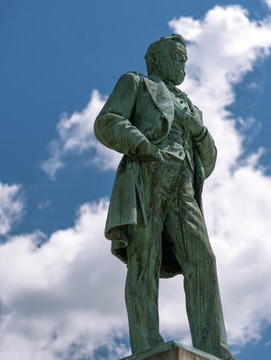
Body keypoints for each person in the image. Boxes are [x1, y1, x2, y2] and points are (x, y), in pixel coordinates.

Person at [94, 34, 236, 360]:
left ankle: (213, 348)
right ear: (156, 60)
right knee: (144, 260)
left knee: (203, 261)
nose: (182, 63)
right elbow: (106, 122)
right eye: (176, 56)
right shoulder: (137, 83)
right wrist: (143, 145)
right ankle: (145, 345)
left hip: (184, 184)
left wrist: (197, 129)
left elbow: (209, 161)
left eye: (185, 59)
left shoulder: (191, 107)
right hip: (147, 174)